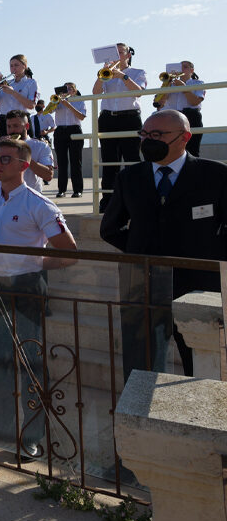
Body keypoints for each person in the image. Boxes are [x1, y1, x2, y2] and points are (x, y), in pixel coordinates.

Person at [100, 109, 227, 382]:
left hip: (200, 289)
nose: (148, 140)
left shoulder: (216, 175)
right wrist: (143, 252)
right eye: (144, 134)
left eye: (157, 134)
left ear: (185, 137)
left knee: (204, 371)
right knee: (142, 367)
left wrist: (210, 258)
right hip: (144, 285)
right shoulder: (129, 177)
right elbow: (110, 228)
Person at [0, 137, 77, 459]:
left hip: (26, 289)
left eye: (5, 159)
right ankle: (1, 426)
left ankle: (32, 435)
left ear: (23, 165)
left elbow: (70, 252)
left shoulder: (38, 204)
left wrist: (33, 262)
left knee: (30, 364)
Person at [92, 42, 146, 211]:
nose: (118, 56)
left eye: (121, 52)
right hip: (108, 118)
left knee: (132, 160)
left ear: (128, 55)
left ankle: (136, 199)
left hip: (130, 118)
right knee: (109, 162)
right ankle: (108, 200)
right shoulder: (105, 73)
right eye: (115, 53)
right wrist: (102, 77)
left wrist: (122, 76)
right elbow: (95, 93)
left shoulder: (138, 72)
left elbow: (138, 92)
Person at [46, 83, 87, 198]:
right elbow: (47, 112)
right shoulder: (58, 101)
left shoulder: (80, 100)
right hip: (60, 131)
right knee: (62, 163)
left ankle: (77, 190)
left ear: (75, 91)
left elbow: (82, 116)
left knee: (76, 162)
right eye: (66, 88)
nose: (68, 90)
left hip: (74, 130)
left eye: (70, 89)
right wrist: (55, 101)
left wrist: (68, 105)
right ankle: (62, 190)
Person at [161, 60, 206, 157]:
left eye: (185, 67)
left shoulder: (198, 83)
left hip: (191, 117)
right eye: (180, 67)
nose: (181, 69)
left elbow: (195, 102)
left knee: (192, 150)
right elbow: (160, 103)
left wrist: (183, 88)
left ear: (192, 70)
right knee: (170, 150)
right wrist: (167, 85)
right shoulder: (169, 84)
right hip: (171, 117)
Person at [3, 111, 54, 194]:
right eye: (9, 126)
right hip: (4, 200)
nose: (12, 130)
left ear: (27, 126)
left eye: (16, 126)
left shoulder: (40, 146)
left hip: (31, 200)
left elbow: (48, 175)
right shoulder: (1, 146)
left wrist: (23, 156)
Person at [0, 54, 38, 119]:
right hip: (4, 120)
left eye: (16, 65)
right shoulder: (6, 83)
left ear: (25, 66)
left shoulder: (31, 82)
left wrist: (12, 92)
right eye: (11, 66)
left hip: (22, 119)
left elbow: (31, 105)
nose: (13, 68)